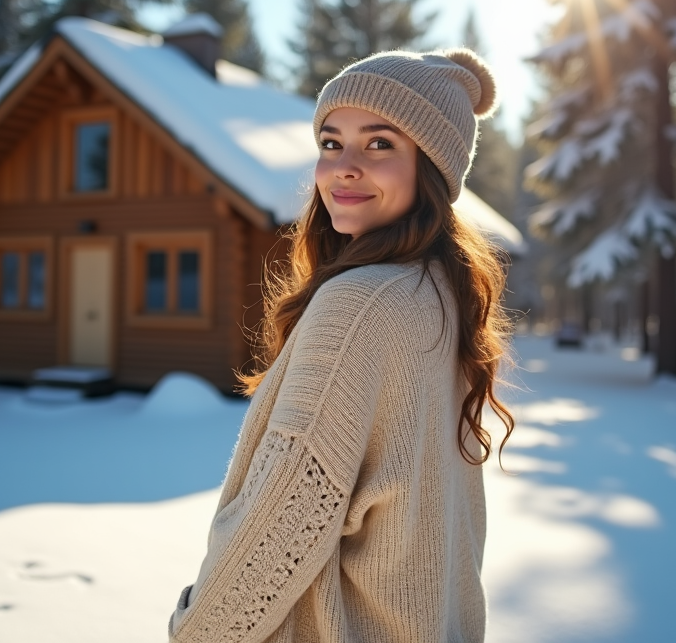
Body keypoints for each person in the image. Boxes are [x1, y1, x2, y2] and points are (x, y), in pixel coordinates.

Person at [168, 48, 514, 643]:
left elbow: (283, 522)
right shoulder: (437, 295)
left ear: (431, 168)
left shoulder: (360, 305)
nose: (344, 167)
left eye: (380, 144)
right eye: (331, 143)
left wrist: (197, 630)